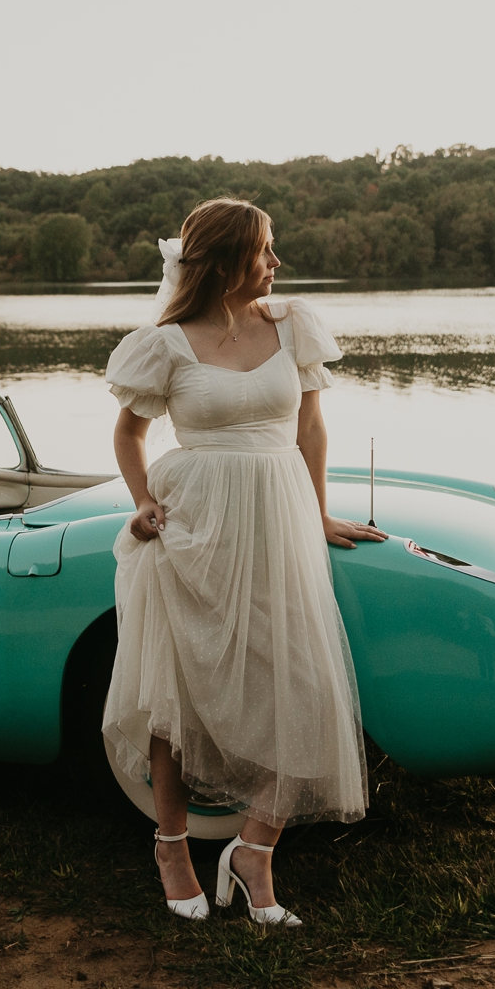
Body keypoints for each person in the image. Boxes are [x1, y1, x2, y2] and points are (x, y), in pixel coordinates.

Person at [102, 198, 386, 926]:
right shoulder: (164, 343)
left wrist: (319, 514)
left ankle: (254, 850)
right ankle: (171, 846)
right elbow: (129, 435)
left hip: (280, 516)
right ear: (228, 261)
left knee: (306, 686)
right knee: (178, 693)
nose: (277, 262)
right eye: (266, 250)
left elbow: (311, 427)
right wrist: (140, 501)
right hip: (192, 522)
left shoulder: (294, 326)